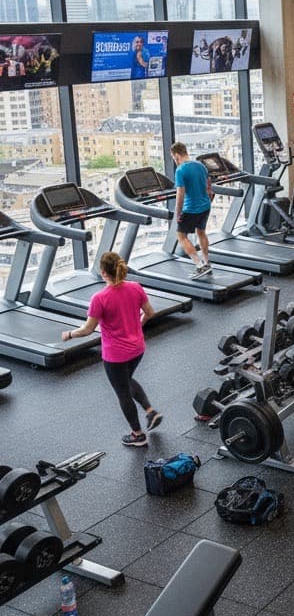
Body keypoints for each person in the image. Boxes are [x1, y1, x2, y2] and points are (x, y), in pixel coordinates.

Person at [60, 252, 161, 447]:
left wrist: (70, 334)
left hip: (116, 355)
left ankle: (137, 435)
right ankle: (150, 412)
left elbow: (88, 330)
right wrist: (137, 326)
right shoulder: (135, 287)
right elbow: (150, 313)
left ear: (103, 272)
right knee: (127, 380)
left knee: (122, 391)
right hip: (137, 348)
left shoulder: (100, 298)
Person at [170, 141, 214, 278]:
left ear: (176, 155)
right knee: (201, 232)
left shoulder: (180, 170)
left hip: (190, 209)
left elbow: (180, 193)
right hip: (205, 206)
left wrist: (178, 212)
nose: (174, 160)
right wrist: (207, 201)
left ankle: (199, 265)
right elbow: (209, 188)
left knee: (181, 236)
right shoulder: (200, 165)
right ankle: (207, 263)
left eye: (173, 158)